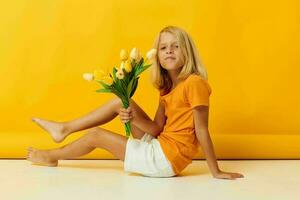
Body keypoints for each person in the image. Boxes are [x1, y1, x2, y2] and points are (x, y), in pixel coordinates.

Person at [27, 26, 244, 179]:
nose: (169, 50)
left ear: (187, 52)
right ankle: (63, 128)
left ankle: (50, 156)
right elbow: (156, 128)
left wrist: (216, 171)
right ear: (157, 56)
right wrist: (132, 118)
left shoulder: (194, 83)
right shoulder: (167, 87)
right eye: (163, 47)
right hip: (161, 144)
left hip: (166, 159)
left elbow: (202, 130)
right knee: (120, 101)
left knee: (96, 135)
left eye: (176, 46)